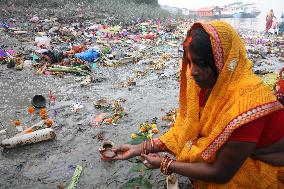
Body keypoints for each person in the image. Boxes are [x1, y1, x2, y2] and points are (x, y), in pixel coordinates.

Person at [103, 21, 284, 188]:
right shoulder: (206, 86)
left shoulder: (248, 101)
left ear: (223, 61)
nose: (192, 72)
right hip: (242, 153)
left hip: (270, 163)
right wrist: (137, 148)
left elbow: (221, 173)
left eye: (201, 63)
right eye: (189, 62)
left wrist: (167, 164)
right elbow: (185, 129)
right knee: (196, 146)